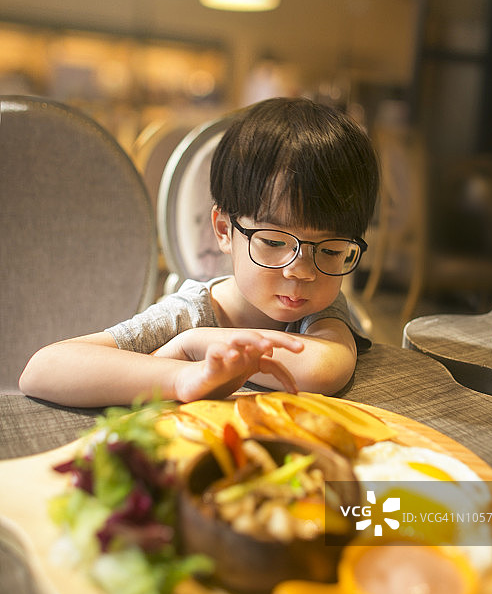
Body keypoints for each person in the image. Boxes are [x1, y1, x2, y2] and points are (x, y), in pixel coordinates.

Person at [19, 97, 379, 407]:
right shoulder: (189, 314)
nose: (302, 271)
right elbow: (43, 369)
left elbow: (324, 367)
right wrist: (181, 376)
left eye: (332, 250)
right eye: (273, 241)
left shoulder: (318, 308)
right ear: (224, 230)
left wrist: (196, 343)